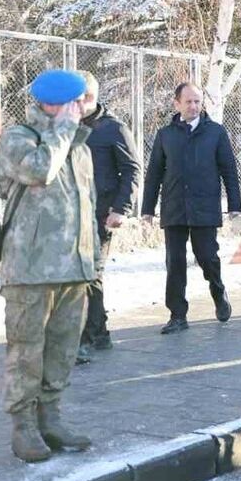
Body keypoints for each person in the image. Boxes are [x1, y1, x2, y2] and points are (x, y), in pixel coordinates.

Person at [0, 69, 100, 462]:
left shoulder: (80, 146)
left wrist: (94, 262)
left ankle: (50, 416)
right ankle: (23, 425)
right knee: (26, 350)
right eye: (75, 102)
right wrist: (62, 129)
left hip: (73, 268)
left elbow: (87, 209)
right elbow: (39, 171)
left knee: (62, 349)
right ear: (54, 103)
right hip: (30, 269)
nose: (81, 109)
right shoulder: (20, 138)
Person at [141, 83, 241, 335]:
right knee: (174, 261)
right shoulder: (165, 135)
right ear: (177, 104)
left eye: (197, 101)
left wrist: (234, 206)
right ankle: (177, 315)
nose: (194, 106)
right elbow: (153, 173)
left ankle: (218, 291)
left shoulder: (215, 133)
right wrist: (147, 209)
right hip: (174, 207)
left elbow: (229, 169)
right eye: (188, 102)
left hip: (204, 207)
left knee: (207, 256)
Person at [76, 72, 140, 364]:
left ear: (90, 97)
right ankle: (100, 332)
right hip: (71, 214)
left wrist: (121, 209)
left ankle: (84, 340)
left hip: (101, 214)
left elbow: (132, 169)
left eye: (78, 99)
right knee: (86, 275)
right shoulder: (66, 126)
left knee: (88, 274)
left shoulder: (113, 128)